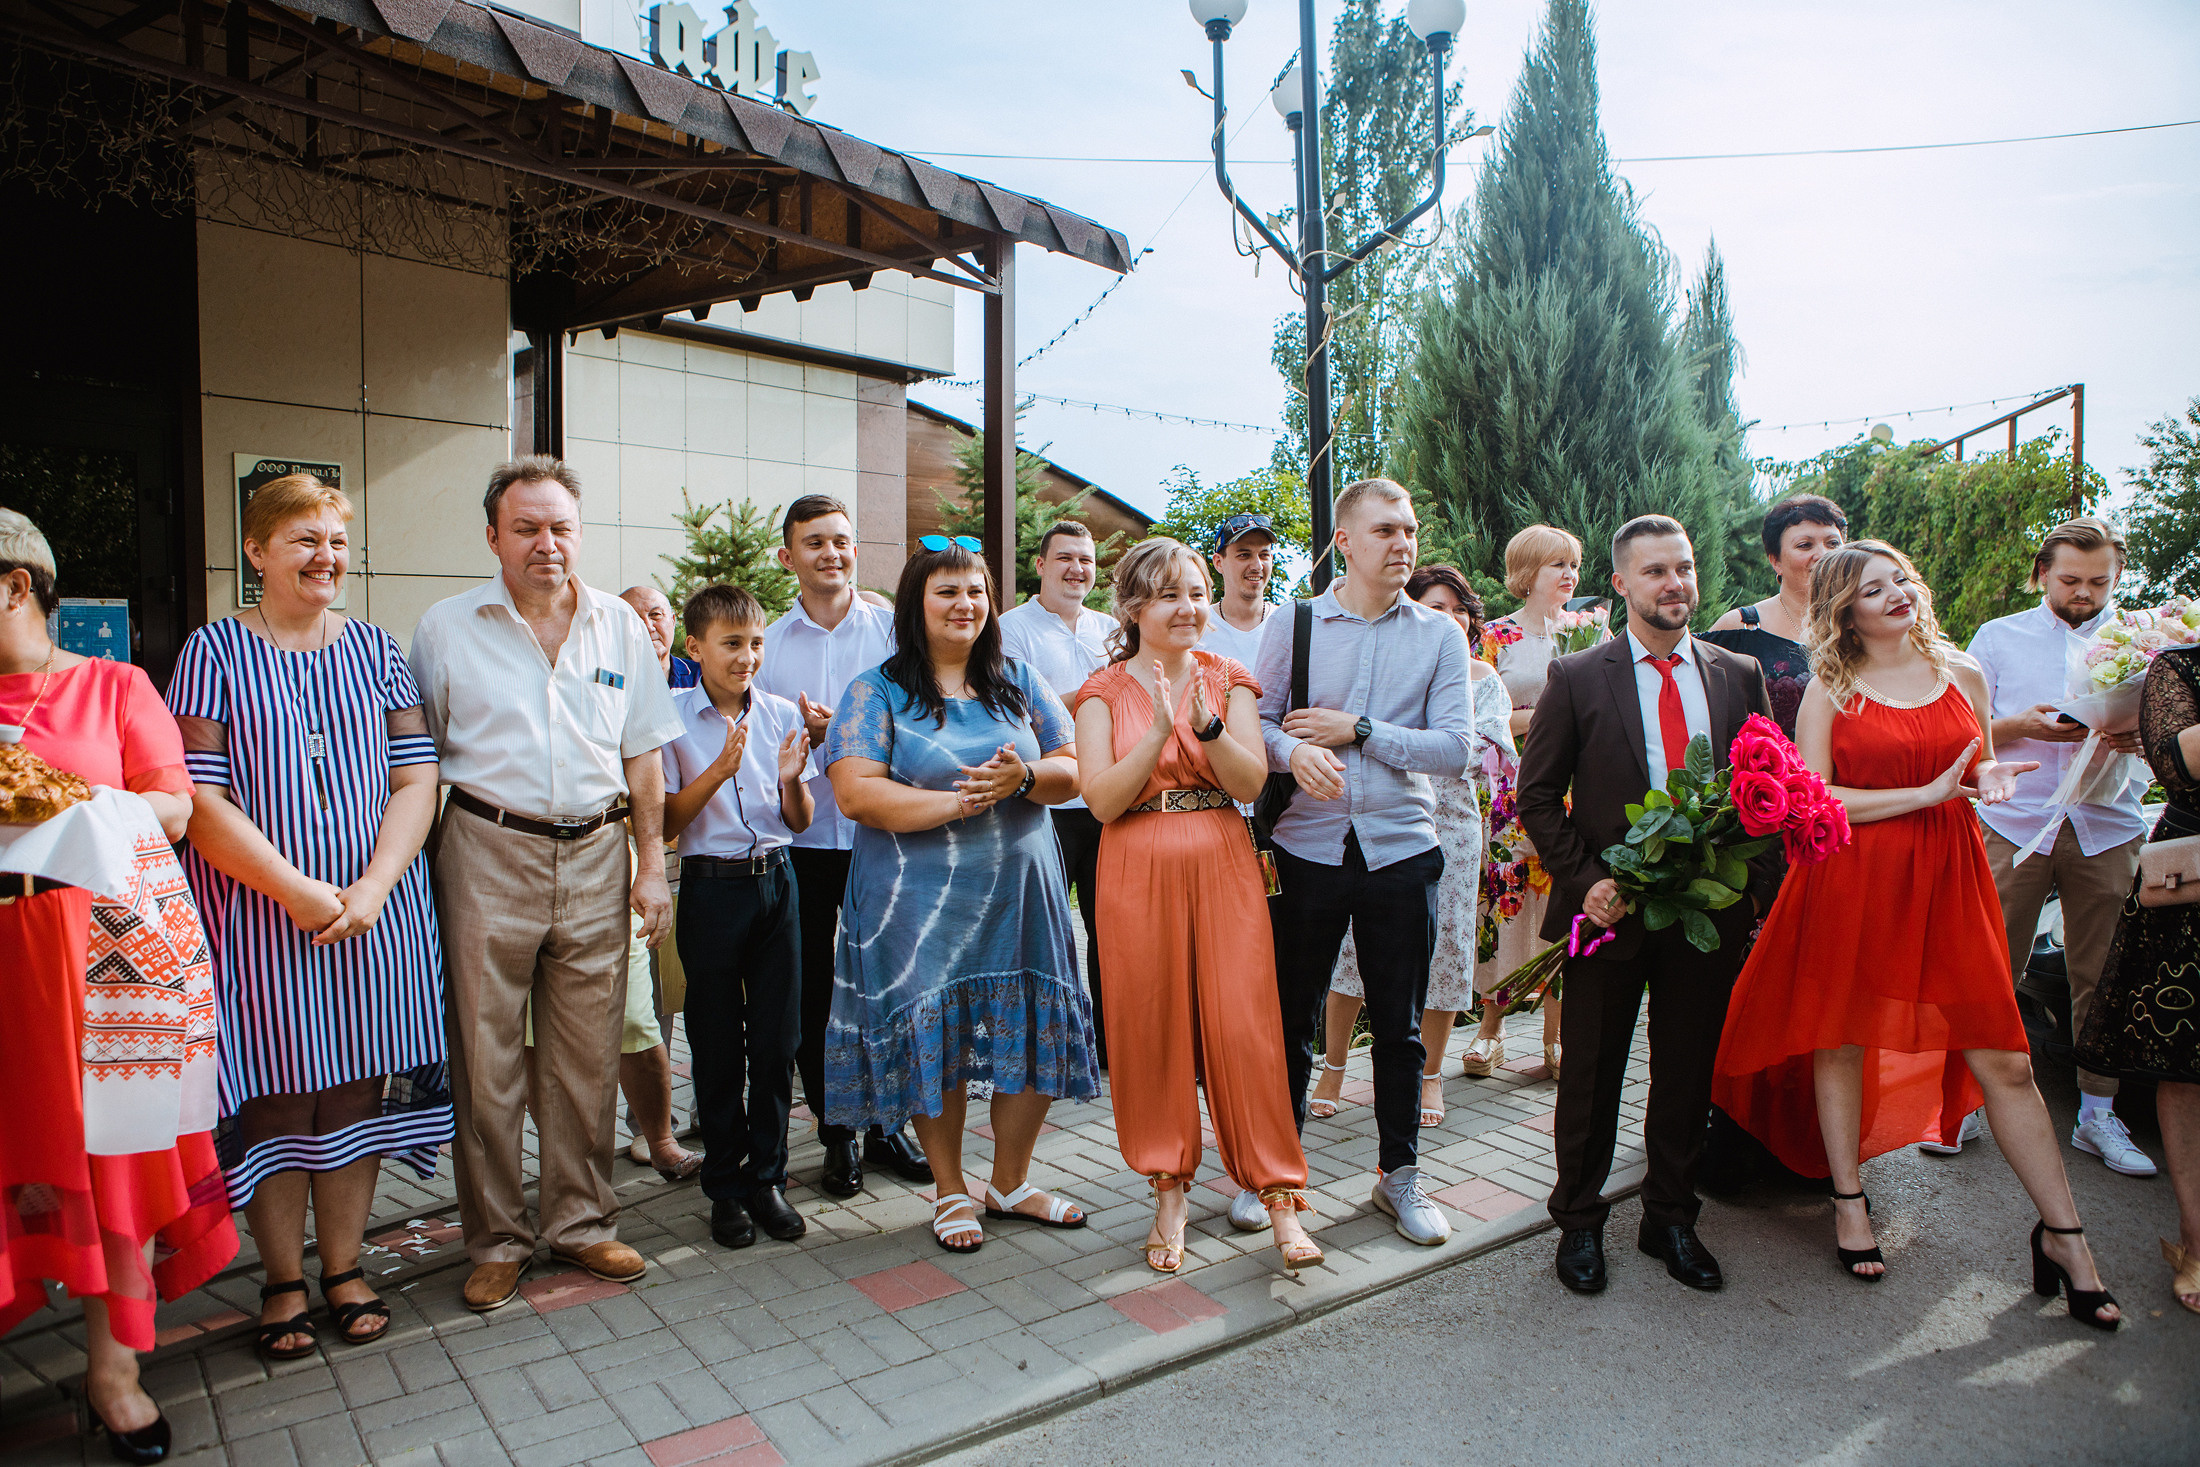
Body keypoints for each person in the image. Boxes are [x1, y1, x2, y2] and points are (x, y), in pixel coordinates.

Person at [1712, 542, 2119, 1326]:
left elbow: (1978, 769)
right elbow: (1815, 798)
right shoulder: (1831, 686)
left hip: (1950, 878)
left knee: (2004, 1055)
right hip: (1853, 878)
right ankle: (1848, 1198)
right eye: (1874, 588)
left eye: (1900, 578)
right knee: (1842, 1041)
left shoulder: (1962, 671)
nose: (1897, 593)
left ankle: (2066, 1236)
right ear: (1845, 609)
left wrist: (1982, 782)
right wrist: (1924, 790)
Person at [165, 476, 450, 1362]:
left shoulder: (375, 648)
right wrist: (295, 889)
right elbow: (197, 798)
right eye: (302, 540)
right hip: (259, 917)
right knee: (281, 1096)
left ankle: (346, 1266)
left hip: (377, 913)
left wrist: (369, 889)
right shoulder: (212, 651)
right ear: (256, 552)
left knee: (356, 1088)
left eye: (334, 540)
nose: (325, 556)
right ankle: (282, 1276)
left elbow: (416, 776)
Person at [408, 456, 683, 1313]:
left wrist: (651, 866)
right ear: (493, 535)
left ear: (579, 531)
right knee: (485, 1054)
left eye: (559, 525)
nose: (546, 543)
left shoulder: (619, 627)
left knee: (586, 1051)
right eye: (525, 526)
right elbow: (421, 762)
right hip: (488, 846)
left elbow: (643, 753)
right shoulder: (447, 627)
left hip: (600, 850)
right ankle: (495, 1237)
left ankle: (579, 1221)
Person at [2, 508, 235, 1461]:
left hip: (90, 955)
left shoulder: (113, 684)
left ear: (17, 585)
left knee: (109, 1161)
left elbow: (175, 808)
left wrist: (56, 797)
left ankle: (114, 1371)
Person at [1519, 515, 1782, 1296]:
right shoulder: (1578, 676)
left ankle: (1670, 1215)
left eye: (1686, 567)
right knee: (1592, 1076)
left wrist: (1752, 893)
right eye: (1656, 571)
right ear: (1623, 584)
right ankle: (1577, 1221)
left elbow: (1767, 796)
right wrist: (1587, 880)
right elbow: (1537, 798)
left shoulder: (1737, 673)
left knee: (1686, 1072)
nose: (1676, 583)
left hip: (1707, 916)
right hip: (1608, 913)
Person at [821, 536, 1098, 1253]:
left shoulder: (1018, 679)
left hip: (1020, 892)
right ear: (917, 601)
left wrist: (1027, 780)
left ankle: (1009, 1181)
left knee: (1033, 1028)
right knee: (932, 1037)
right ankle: (949, 1190)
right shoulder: (876, 689)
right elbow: (855, 792)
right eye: (947, 590)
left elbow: (1073, 766)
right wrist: (964, 801)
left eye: (975, 590)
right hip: (916, 903)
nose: (964, 603)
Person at [1073, 538, 1323, 1274]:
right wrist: (1155, 731)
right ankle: (1169, 1191)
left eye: (1193, 592)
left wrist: (1206, 726)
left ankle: (1279, 1199)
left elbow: (1248, 785)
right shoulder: (1100, 689)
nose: (1187, 607)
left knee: (1245, 1026)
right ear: (1133, 608)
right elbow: (1102, 800)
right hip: (1135, 861)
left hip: (1222, 854)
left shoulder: (1229, 677)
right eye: (1167, 594)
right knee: (1153, 1029)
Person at [1258, 478, 1474, 1248]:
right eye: (1385, 529)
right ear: (1344, 540)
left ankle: (1399, 1176)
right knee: (1291, 1016)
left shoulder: (1441, 635)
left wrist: (1360, 730)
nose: (1403, 543)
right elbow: (1259, 721)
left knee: (1400, 1025)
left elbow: (1457, 748)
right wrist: (1293, 749)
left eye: (1409, 529)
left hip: (1403, 849)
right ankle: (1278, 1172)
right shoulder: (1300, 620)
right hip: (1307, 847)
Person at [1956, 519, 2154, 1175]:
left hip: (2110, 823)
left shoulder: (2150, 643)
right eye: (2071, 579)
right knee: (1991, 966)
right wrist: (2023, 723)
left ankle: (2098, 1113)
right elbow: (1962, 726)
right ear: (2042, 572)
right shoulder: (1998, 637)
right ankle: (1966, 1102)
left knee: (2106, 973)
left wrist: (2139, 736)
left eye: (2100, 581)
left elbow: (2179, 736)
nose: (2084, 592)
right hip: (2017, 820)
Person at [755, 495, 931, 1198]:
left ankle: (888, 1123)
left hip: (879, 833)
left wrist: (850, 737)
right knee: (813, 995)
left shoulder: (893, 632)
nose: (832, 553)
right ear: (788, 556)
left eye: (843, 542)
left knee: (888, 985)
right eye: (816, 543)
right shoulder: (768, 643)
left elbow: (922, 722)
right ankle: (837, 1131)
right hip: (798, 837)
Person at [1311, 567, 1514, 1130]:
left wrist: (1391, 740)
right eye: (1435, 606)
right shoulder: (1390, 672)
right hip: (1383, 819)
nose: (1449, 618)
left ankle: (1429, 1077)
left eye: (1459, 609)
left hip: (1454, 824)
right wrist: (1410, 742)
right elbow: (1358, 737)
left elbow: (1478, 753)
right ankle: (1332, 1067)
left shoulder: (1483, 678)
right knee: (1354, 946)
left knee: (1446, 946)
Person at [661, 584, 814, 1250]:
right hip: (709, 890)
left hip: (777, 884)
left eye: (754, 643)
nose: (747, 656)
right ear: (694, 648)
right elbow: (666, 821)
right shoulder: (669, 716)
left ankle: (769, 1177)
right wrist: (718, 769)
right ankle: (725, 1185)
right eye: (731, 643)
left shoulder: (782, 713)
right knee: (718, 1044)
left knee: (778, 1042)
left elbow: (800, 821)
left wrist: (789, 780)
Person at [2077, 639, 2200, 1315]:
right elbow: (2179, 767)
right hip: (2192, 891)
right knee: (2185, 1062)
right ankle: (2196, 1237)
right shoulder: (2179, 668)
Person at [998, 521, 1114, 1065]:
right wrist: (1096, 694)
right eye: (1065, 557)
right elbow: (1018, 717)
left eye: (1086, 560)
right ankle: (1036, 1045)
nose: (1077, 569)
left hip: (1107, 800)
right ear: (1040, 565)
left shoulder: (1112, 629)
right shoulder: (1010, 630)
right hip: (1043, 801)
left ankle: (1109, 1046)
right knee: (1038, 929)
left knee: (1109, 926)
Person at [1478, 524, 1584, 1079]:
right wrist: (1553, 714)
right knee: (1508, 904)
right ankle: (1489, 1035)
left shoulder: (1593, 635)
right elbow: (1484, 718)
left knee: (1566, 909)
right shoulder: (1494, 638)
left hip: (1577, 791)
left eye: (1572, 564)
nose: (1569, 575)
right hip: (1513, 793)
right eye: (1555, 565)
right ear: (1527, 573)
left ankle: (1556, 1040)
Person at [615, 585, 702, 1182]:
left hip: (698, 858)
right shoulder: (610, 678)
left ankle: (692, 1113)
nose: (647, 623)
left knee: (696, 990)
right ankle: (646, 1129)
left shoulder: (701, 679)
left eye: (657, 613)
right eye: (634, 613)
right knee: (649, 998)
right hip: (635, 860)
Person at [1704, 493, 1848, 736]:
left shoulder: (1866, 623)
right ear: (1775, 561)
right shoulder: (1739, 628)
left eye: (1833, 544)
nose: (1823, 555)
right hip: (1773, 772)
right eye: (1805, 545)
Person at [1198, 512, 1278, 668]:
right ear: (1218, 562)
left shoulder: (1286, 625)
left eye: (1264, 555)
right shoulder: (1198, 627)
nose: (1257, 566)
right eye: (1244, 555)